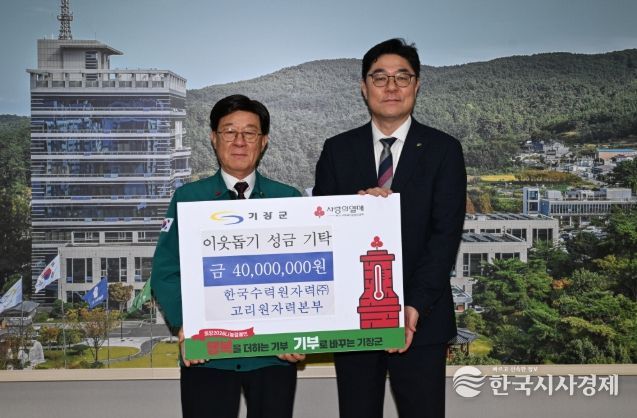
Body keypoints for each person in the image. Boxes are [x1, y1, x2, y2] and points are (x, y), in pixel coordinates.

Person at [313, 39, 466, 418]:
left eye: (403, 77)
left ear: (417, 85)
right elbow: (323, 232)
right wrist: (353, 213)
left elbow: (445, 237)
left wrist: (413, 307)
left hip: (423, 318)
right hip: (354, 318)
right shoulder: (337, 150)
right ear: (364, 87)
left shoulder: (444, 150)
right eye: (380, 78)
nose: (392, 86)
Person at [151, 94, 305, 418]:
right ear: (213, 137)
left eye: (249, 132)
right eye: (229, 131)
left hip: (273, 355)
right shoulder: (188, 199)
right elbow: (165, 272)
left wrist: (300, 331)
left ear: (263, 141)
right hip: (208, 355)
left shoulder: (288, 198)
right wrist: (185, 325)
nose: (239, 141)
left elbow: (305, 275)